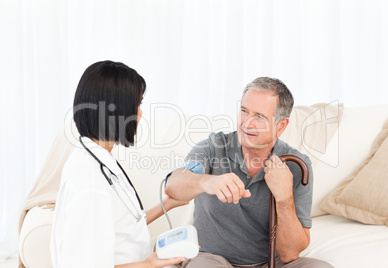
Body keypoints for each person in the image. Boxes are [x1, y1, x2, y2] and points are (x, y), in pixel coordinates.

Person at [165, 77, 334, 267]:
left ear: (281, 126)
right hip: (211, 258)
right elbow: (173, 186)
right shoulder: (214, 147)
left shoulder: (296, 165)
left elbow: (289, 254)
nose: (247, 123)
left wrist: (284, 199)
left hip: (268, 263)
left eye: (259, 117)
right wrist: (206, 181)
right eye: (244, 111)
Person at [50, 60, 188, 268]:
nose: (140, 113)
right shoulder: (92, 186)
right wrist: (149, 264)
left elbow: (126, 224)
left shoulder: (98, 159)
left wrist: (168, 204)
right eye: (137, 104)